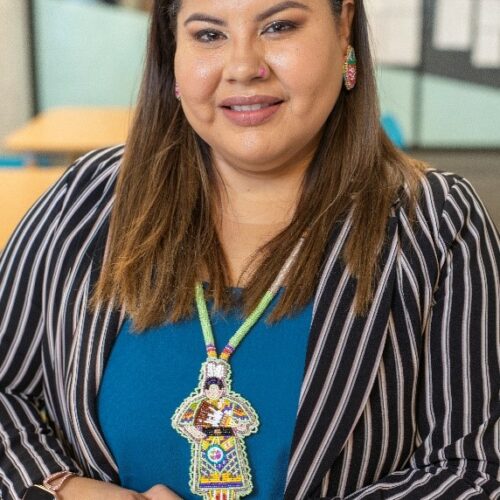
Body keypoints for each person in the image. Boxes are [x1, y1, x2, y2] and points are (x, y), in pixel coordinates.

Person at [0, 0, 498, 498]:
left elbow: (472, 468)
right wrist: (60, 489)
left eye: (279, 27)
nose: (243, 67)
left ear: (344, 26)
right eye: (209, 35)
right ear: (173, 49)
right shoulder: (86, 199)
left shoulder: (438, 223)